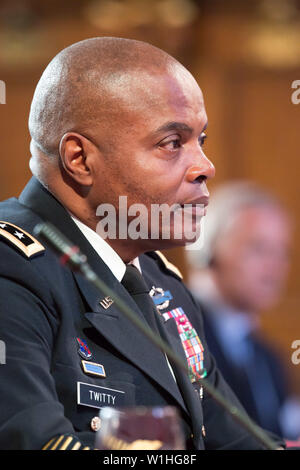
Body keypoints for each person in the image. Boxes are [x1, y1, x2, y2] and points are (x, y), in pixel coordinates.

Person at [0, 37, 284, 450]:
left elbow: (238, 441)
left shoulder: (160, 282)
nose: (205, 166)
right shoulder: (12, 270)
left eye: (200, 141)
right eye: (172, 143)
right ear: (80, 160)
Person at [187, 181, 300, 439]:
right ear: (208, 249)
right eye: (258, 248)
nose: (275, 267)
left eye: (283, 253)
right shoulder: (174, 330)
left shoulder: (269, 358)